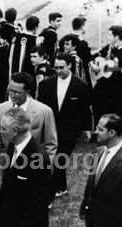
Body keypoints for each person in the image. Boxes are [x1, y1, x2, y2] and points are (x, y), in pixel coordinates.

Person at [38, 53, 92, 197]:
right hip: (50, 128)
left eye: (61, 67)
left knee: (60, 158)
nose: (58, 70)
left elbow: (85, 109)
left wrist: (87, 129)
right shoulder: (45, 85)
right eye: (55, 67)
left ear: (69, 65)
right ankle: (61, 187)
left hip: (70, 129)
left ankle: (51, 191)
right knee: (54, 158)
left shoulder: (80, 85)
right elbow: (40, 108)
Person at [0, 72, 57, 161]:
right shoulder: (1, 109)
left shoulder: (44, 111)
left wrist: (46, 167)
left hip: (35, 164)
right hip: (9, 163)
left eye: (17, 92)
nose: (12, 95)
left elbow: (51, 145)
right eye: (10, 90)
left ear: (27, 91)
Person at [91, 25, 122, 123]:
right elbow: (93, 57)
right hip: (103, 86)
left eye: (110, 35)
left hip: (116, 90)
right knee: (97, 107)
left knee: (113, 118)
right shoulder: (109, 47)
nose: (107, 37)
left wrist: (115, 69)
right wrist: (92, 65)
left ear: (117, 37)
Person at [72, 17, 92, 84]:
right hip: (81, 77)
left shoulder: (66, 39)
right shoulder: (82, 43)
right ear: (82, 27)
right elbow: (88, 61)